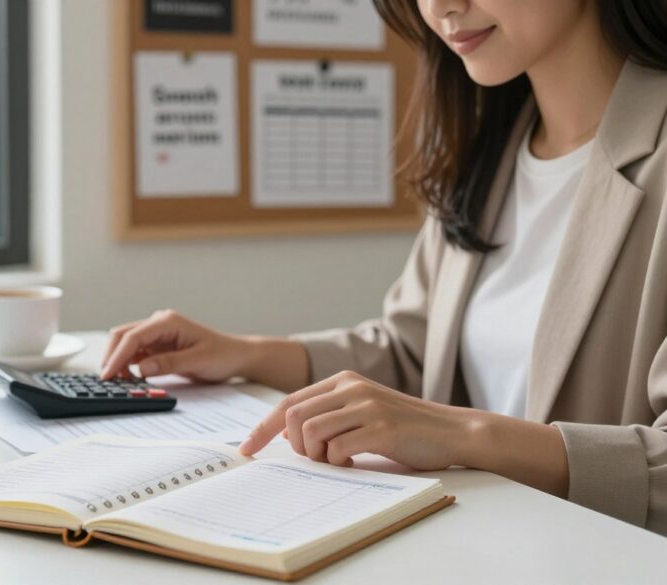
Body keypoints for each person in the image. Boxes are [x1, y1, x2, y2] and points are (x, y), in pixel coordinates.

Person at [100, 0, 667, 534]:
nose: (441, 6)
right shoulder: (490, 148)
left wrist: (463, 435)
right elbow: (412, 353)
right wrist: (244, 353)